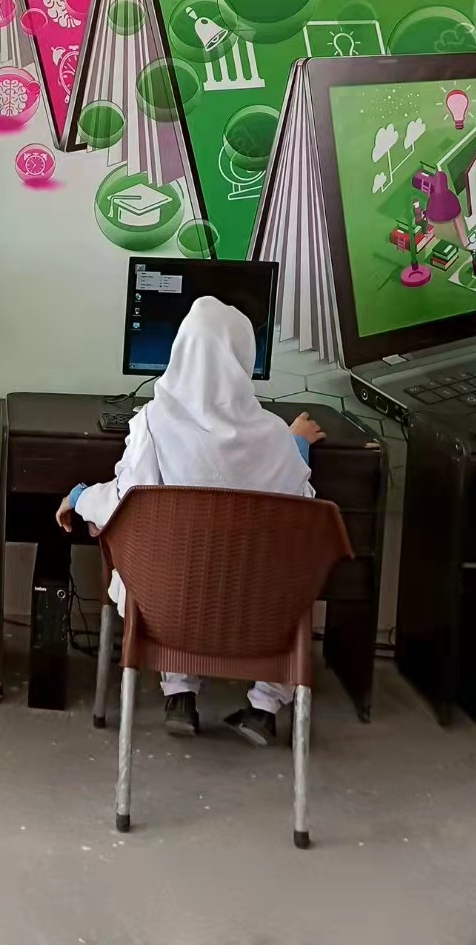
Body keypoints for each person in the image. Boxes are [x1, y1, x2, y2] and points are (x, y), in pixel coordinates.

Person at [55, 297, 325, 748]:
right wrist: (297, 444)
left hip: (170, 607)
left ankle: (179, 696)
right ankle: (264, 708)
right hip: (257, 612)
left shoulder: (153, 424)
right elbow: (302, 508)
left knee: (170, 558)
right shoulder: (274, 436)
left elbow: (122, 503)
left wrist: (80, 496)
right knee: (287, 572)